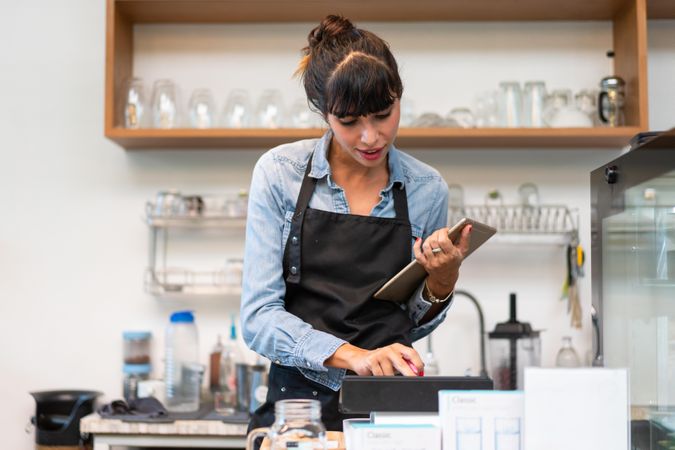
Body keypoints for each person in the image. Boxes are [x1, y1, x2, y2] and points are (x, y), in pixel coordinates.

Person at [240, 14, 471, 432]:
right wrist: (354, 356)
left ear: (399, 95)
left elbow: (413, 319)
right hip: (299, 412)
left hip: (393, 412)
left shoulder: (427, 188)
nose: (371, 138)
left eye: (383, 114)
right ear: (324, 113)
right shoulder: (280, 173)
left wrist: (443, 281)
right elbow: (258, 317)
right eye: (349, 122)